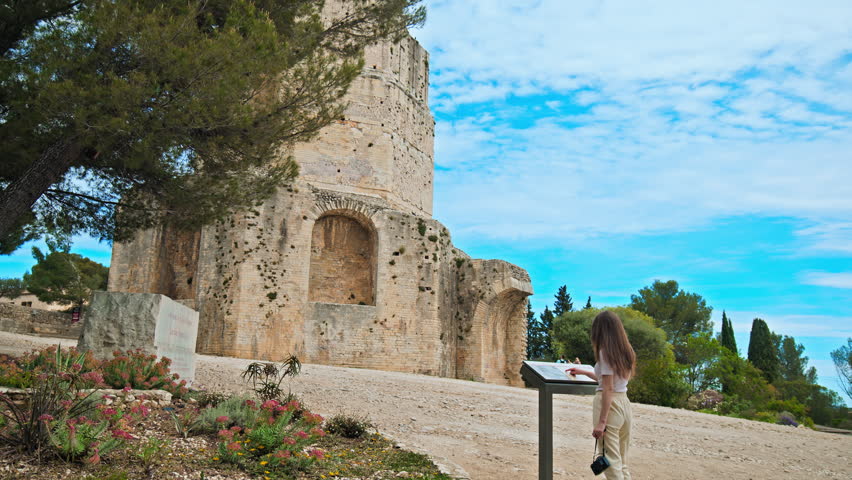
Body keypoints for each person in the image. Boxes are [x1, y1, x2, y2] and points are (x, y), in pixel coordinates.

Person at [566, 310, 636, 479]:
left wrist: (601, 422)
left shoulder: (605, 352)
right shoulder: (626, 351)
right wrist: (584, 371)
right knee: (622, 458)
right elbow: (609, 381)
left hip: (609, 406)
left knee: (611, 461)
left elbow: (608, 388)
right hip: (624, 404)